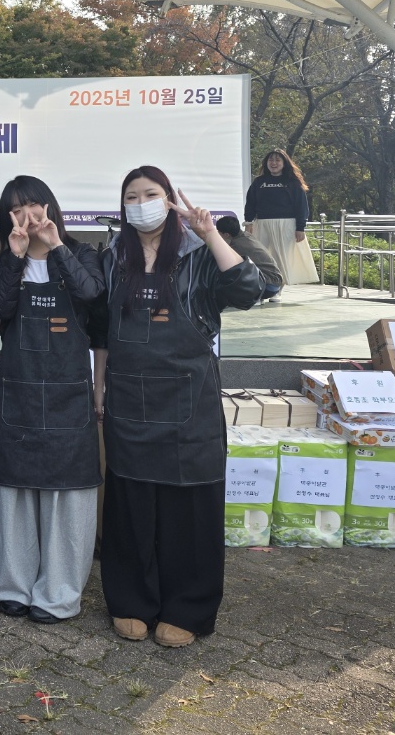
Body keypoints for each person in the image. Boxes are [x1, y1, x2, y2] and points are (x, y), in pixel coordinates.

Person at [89, 166, 263, 648]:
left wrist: (210, 235)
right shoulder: (112, 258)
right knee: (131, 507)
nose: (140, 203)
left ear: (169, 200)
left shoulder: (198, 255)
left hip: (189, 401)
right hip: (128, 398)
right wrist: (98, 386)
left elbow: (250, 290)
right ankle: (130, 601)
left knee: (190, 509)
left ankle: (188, 607)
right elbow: (101, 329)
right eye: (131, 196)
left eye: (151, 194)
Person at [0, 175, 105, 624]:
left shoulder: (82, 253)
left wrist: (55, 246)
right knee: (13, 495)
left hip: (66, 392)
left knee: (66, 497)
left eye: (34, 204)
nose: (28, 214)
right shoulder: (5, 260)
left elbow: (91, 294)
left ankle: (58, 594)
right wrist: (16, 256)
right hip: (15, 391)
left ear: (50, 206)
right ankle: (14, 586)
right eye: (17, 209)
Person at [243, 149, 319, 286]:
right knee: (261, 257)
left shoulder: (293, 182)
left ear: (284, 163)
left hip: (286, 225)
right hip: (262, 224)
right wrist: (248, 222)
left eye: (277, 160)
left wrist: (300, 228)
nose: (274, 163)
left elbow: (301, 206)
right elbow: (250, 204)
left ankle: (277, 288)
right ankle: (263, 287)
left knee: (281, 260)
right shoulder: (259, 182)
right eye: (271, 160)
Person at [215, 215, 283, 303]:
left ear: (226, 234)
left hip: (268, 286)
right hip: (273, 283)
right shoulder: (246, 236)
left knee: (225, 275)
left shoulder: (237, 246)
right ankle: (256, 295)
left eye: (219, 232)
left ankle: (252, 297)